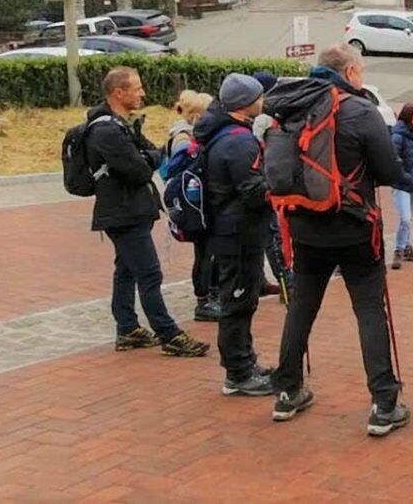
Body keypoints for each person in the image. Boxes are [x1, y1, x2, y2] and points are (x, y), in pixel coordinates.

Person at [270, 44, 408, 437]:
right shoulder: (360, 110)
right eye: (360, 71)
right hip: (353, 226)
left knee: (301, 307)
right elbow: (390, 171)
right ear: (349, 72)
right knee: (368, 309)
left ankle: (287, 391)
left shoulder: (292, 105)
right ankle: (384, 402)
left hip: (304, 225)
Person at [86, 67, 209, 357]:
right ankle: (170, 335)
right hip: (122, 212)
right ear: (119, 93)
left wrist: (147, 156)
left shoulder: (123, 124)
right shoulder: (106, 130)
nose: (143, 93)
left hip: (130, 210)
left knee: (127, 271)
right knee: (150, 274)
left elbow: (155, 153)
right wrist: (146, 158)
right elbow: (141, 169)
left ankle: (127, 329)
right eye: (137, 88)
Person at [195, 73, 275, 396]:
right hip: (239, 232)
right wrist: (278, 183)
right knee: (238, 302)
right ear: (246, 104)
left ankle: (244, 361)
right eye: (259, 96)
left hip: (232, 230)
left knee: (241, 299)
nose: (263, 100)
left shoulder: (224, 134)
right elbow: (251, 191)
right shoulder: (239, 141)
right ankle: (238, 373)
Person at [166, 90, 219, 322]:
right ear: (198, 115)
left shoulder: (190, 134)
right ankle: (203, 299)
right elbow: (177, 170)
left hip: (201, 201)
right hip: (193, 204)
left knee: (210, 251)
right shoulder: (183, 138)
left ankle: (212, 294)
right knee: (204, 253)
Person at [253, 70, 290, 301]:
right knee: (273, 235)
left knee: (265, 236)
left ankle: (259, 281)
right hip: (262, 184)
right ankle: (287, 285)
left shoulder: (262, 117)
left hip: (263, 182)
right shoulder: (262, 120)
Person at [390, 104, 413, 271]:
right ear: (409, 118)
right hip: (401, 185)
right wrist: (406, 177)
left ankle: (406, 247)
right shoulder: (398, 136)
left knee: (409, 218)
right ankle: (398, 249)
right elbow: (393, 160)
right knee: (405, 218)